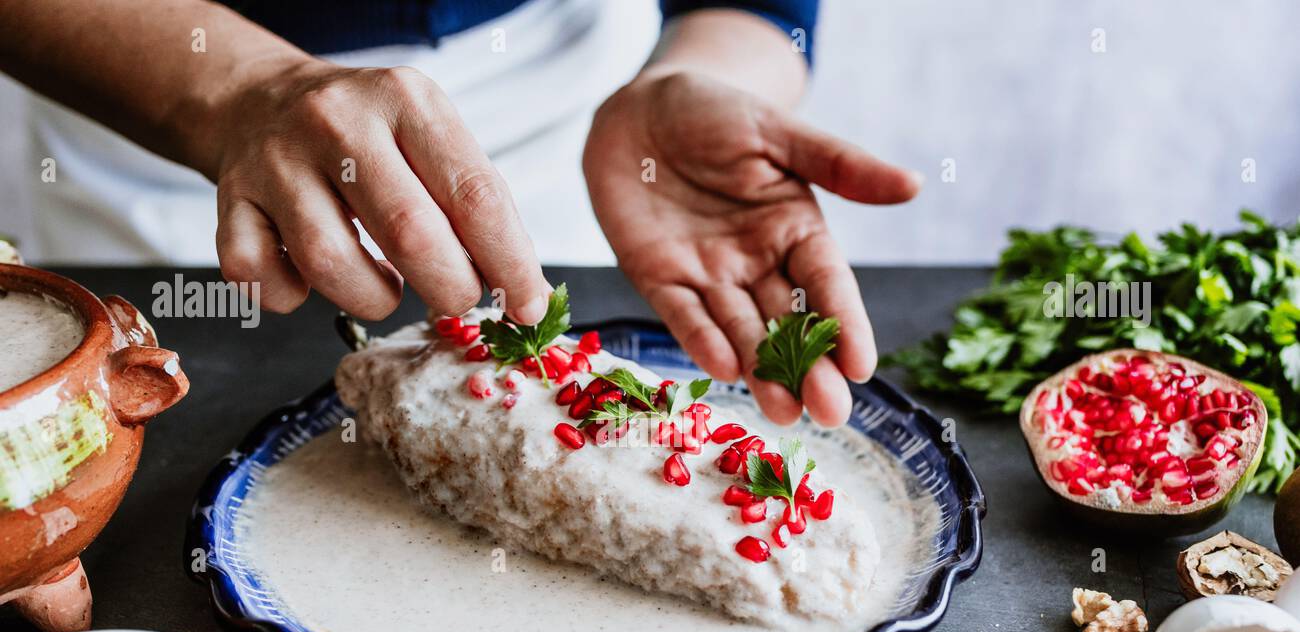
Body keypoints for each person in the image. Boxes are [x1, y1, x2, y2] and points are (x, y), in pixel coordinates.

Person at [0, 0, 921, 426]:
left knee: (551, 365)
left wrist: (710, 69)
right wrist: (241, 91)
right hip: (163, 93)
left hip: (587, 94)